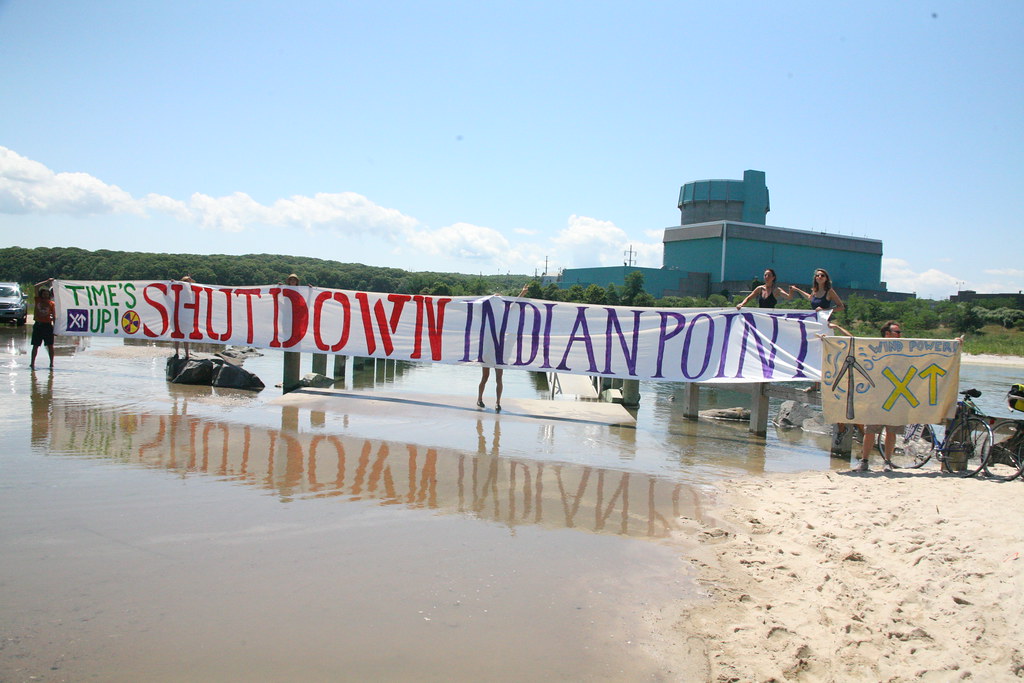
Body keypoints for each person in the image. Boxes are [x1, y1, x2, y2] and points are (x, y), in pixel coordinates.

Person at [856, 320, 904, 472]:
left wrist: (955, 345)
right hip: (876, 397)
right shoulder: (874, 347)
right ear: (887, 333)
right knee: (870, 430)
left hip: (895, 397)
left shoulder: (905, 349)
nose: (900, 335)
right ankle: (864, 461)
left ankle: (887, 461)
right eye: (897, 332)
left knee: (892, 431)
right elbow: (852, 346)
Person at [30, 278, 56, 370]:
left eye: (47, 293)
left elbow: (54, 316)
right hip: (38, 325)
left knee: (50, 346)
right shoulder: (38, 300)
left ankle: (51, 363)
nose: (45, 295)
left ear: (49, 295)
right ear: (41, 294)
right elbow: (36, 287)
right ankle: (32, 363)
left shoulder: (52, 304)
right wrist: (47, 281)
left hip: (48, 326)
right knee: (35, 345)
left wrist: (56, 328)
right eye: (44, 293)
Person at [173, 275, 195, 360]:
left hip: (187, 315)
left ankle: (186, 354)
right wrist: (172, 283)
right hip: (178, 314)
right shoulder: (179, 290)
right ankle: (177, 353)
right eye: (186, 281)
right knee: (177, 335)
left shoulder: (192, 291)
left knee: (186, 336)